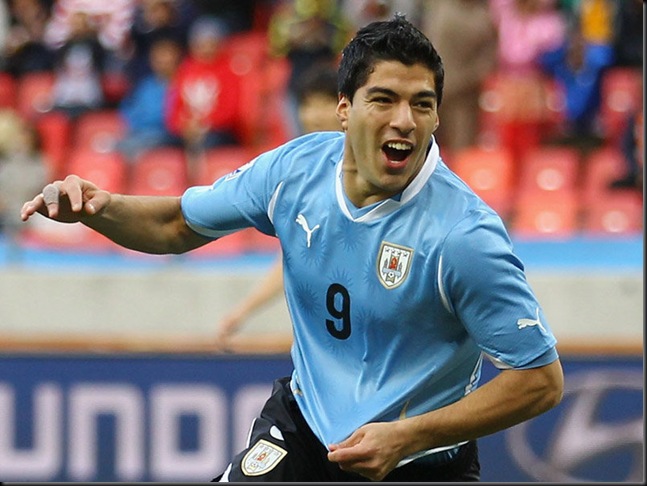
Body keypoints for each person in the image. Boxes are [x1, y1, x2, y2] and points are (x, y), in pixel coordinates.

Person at [21, 15, 564, 482]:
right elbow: (175, 224)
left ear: (437, 116)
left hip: (419, 462)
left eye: (422, 104)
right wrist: (100, 208)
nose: (405, 120)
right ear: (345, 108)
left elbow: (539, 380)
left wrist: (409, 436)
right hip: (305, 429)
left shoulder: (463, 235)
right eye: (384, 99)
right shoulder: (294, 171)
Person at [215, 61, 341, 350]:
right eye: (308, 105)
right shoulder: (303, 174)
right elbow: (293, 255)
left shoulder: (370, 171)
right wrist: (243, 312)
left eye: (325, 104)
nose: (314, 115)